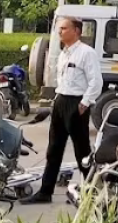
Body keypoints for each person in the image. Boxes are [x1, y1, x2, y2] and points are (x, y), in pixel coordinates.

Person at [25, 17, 103, 204]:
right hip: (61, 100)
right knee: (54, 149)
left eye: (64, 28)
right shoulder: (64, 54)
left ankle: (92, 192)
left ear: (77, 31)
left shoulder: (86, 53)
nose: (60, 32)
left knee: (82, 150)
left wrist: (84, 103)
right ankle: (45, 192)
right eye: (59, 29)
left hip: (76, 103)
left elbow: (96, 81)